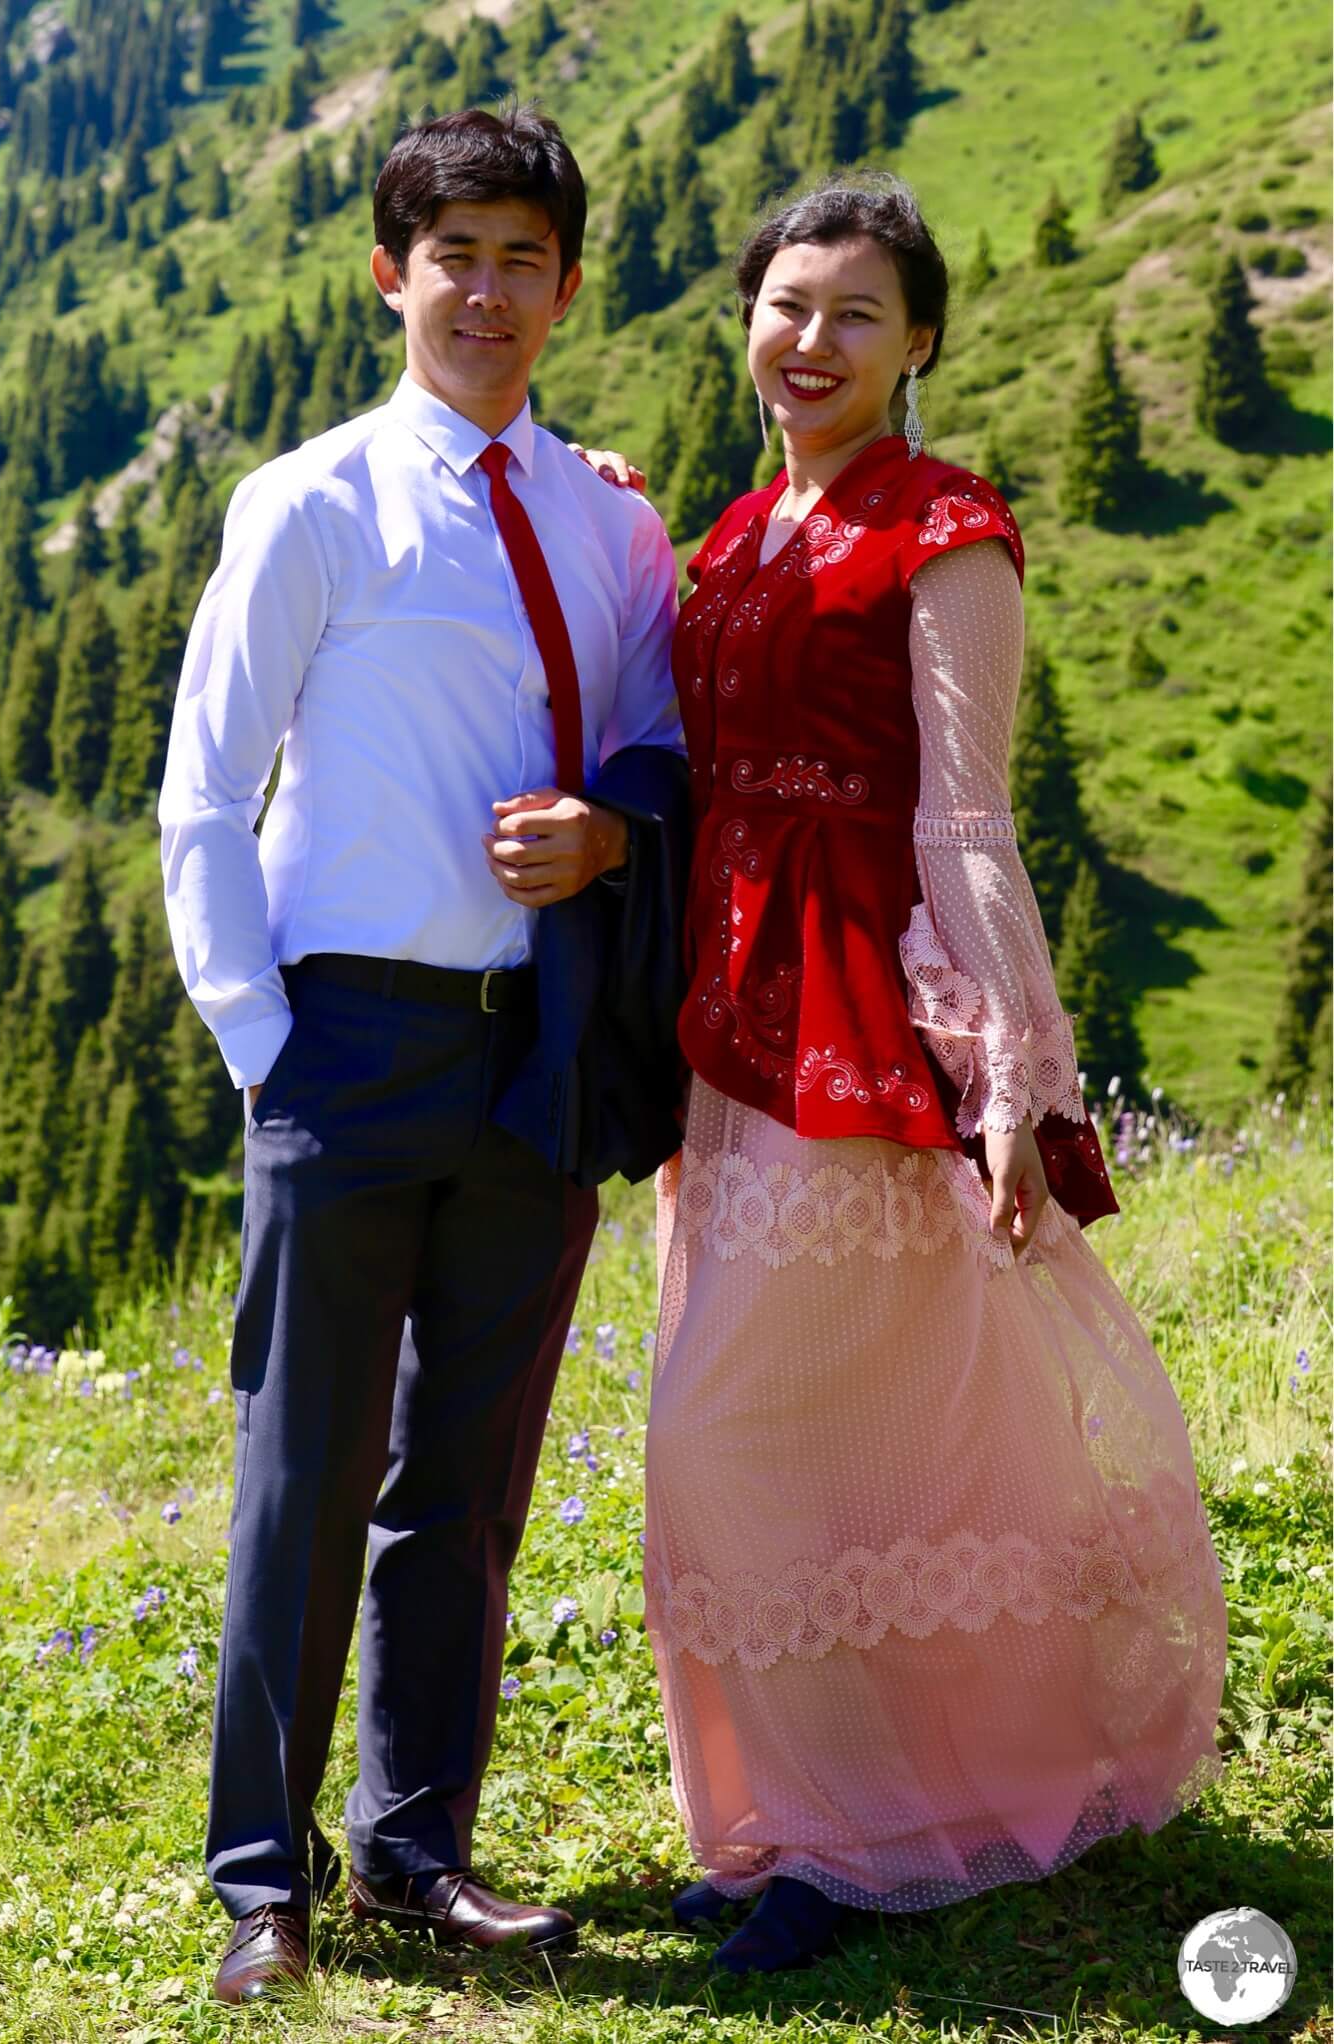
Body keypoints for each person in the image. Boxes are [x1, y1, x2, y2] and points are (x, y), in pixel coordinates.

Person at [634, 174, 1228, 1976]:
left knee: (753, 1428)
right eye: (785, 304)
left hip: (863, 1020)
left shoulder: (947, 533)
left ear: (921, 346)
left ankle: (854, 1835)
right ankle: (790, 1823)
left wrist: (1014, 1074)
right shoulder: (733, 532)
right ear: (745, 317)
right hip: (729, 1022)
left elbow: (968, 818)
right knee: (780, 1440)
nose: (808, 342)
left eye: (855, 315)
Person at [158, 104, 685, 2006]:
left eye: (521, 255)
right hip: (346, 1040)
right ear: (392, 275)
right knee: (303, 1478)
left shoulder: (608, 518)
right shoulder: (306, 501)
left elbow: (651, 734)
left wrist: (613, 839)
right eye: (450, 251)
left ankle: (417, 1854)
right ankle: (259, 1885)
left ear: (563, 285)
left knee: (464, 1477)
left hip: (530, 1054)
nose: (485, 288)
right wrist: (264, 1053)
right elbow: (203, 791)